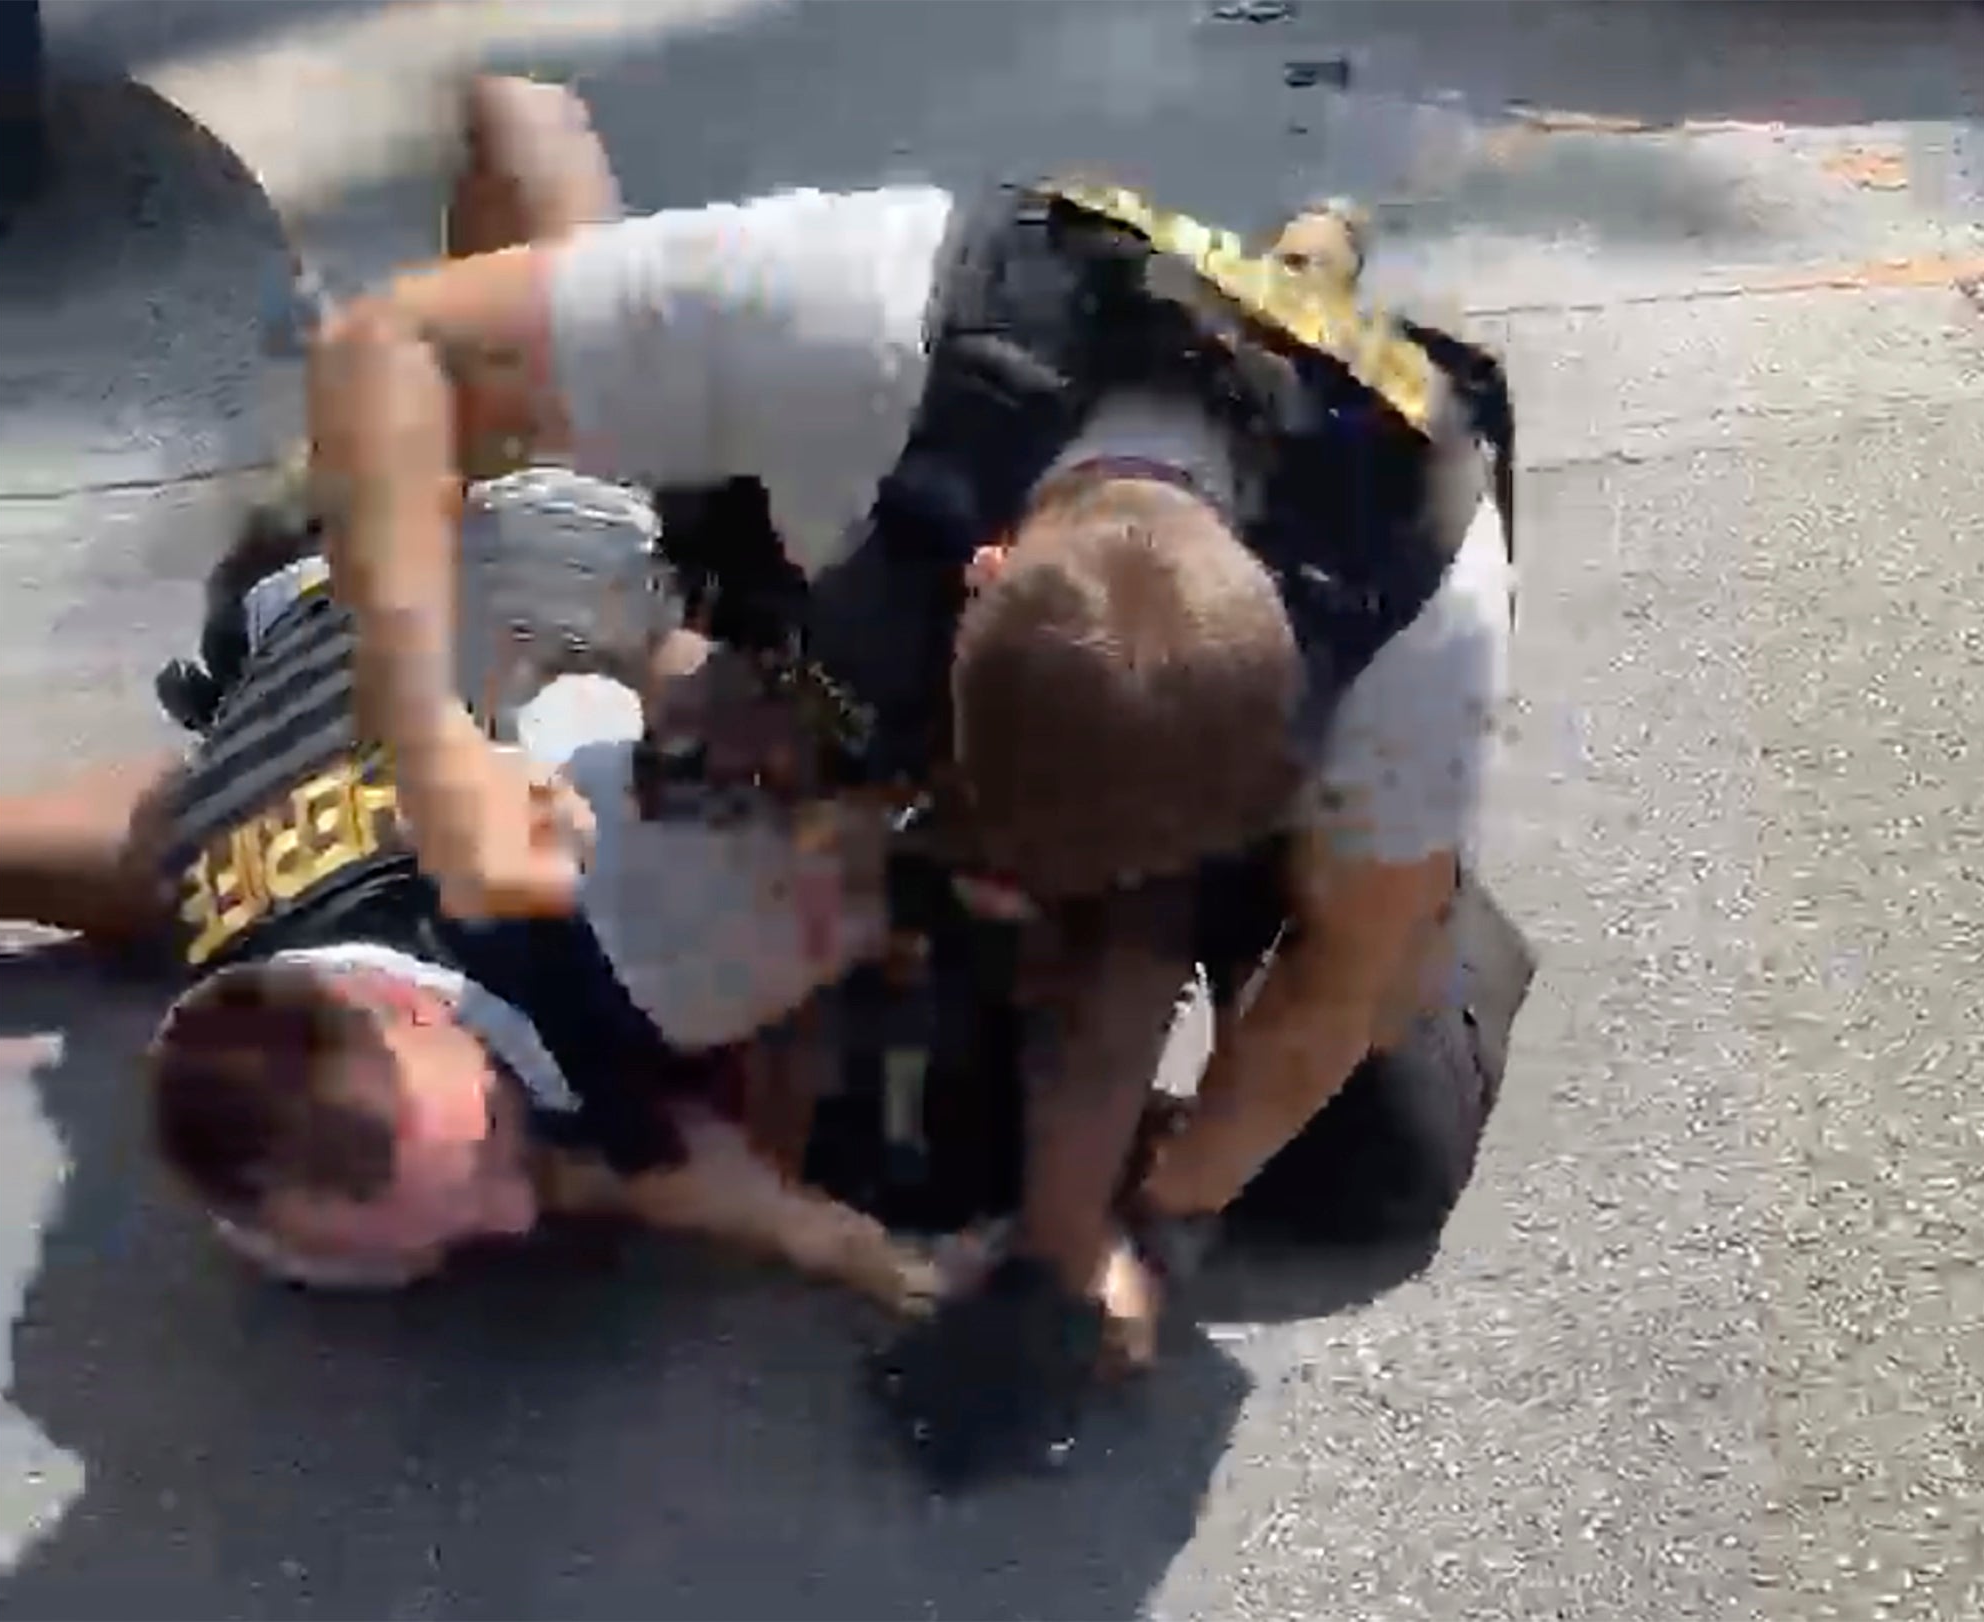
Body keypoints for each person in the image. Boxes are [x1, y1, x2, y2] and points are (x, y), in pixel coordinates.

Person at [320, 75, 1533, 1483]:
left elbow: (1343, 978)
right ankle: (528, 155)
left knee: (1373, 1153)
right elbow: (388, 349)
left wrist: (1150, 1229)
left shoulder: (1417, 610)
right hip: (867, 558)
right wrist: (433, 743)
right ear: (987, 577)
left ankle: (1306, 264)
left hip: (1226, 643)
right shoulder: (856, 319)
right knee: (886, 1111)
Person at [0, 82, 931, 1313]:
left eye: (491, 1150)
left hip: (442, 567)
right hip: (269, 744)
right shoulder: (263, 1105)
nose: (519, 1204)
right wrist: (844, 1247)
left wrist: (674, 660)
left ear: (394, 1006)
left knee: (533, 163)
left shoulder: (547, 849)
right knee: (184, 848)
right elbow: (635, 1169)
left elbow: (602, 599)